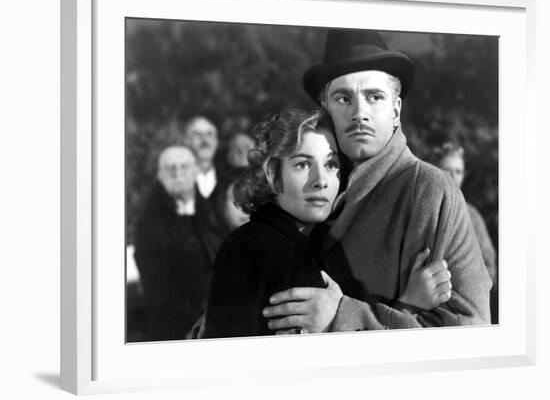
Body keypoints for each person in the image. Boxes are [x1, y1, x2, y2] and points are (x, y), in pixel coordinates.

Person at [262, 29, 492, 333]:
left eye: (374, 97)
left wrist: (341, 316)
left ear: (396, 111)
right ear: (325, 109)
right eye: (343, 98)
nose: (359, 113)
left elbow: (471, 329)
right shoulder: (305, 186)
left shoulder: (430, 190)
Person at [204, 108, 452, 338]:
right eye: (302, 164)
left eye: (331, 164)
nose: (320, 180)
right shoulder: (262, 249)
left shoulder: (322, 242)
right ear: (273, 175)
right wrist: (409, 305)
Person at [133, 145, 223, 341]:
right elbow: (156, 285)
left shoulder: (213, 213)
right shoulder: (147, 225)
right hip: (172, 326)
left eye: (184, 166)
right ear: (160, 175)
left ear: (195, 170)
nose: (177, 173)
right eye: (170, 168)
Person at [432, 141, 498, 322]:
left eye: (458, 171)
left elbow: (489, 264)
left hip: (467, 309)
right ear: (435, 170)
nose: (453, 176)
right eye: (447, 170)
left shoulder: (473, 216)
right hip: (428, 308)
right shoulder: (423, 211)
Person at [182, 115, 220, 200]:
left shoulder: (228, 181)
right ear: (186, 141)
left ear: (217, 141)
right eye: (197, 134)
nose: (204, 139)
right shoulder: (175, 180)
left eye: (209, 134)